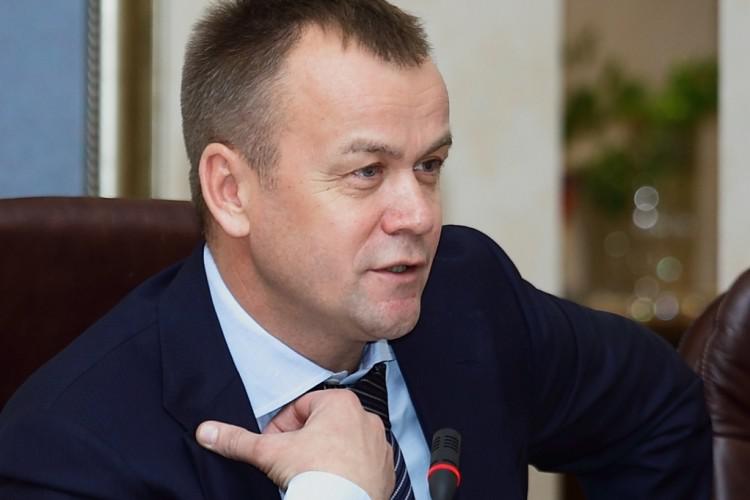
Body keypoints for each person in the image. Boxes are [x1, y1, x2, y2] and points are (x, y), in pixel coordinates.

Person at [0, 0, 711, 499]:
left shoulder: (467, 294)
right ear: (231, 190)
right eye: (367, 171)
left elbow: (661, 411)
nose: (419, 215)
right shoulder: (69, 452)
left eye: (429, 165)